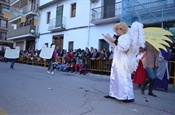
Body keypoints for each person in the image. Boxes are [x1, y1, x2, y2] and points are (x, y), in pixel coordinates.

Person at [104, 22, 135, 102]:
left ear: (122, 29)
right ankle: (113, 93)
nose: (116, 31)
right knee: (114, 77)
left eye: (117, 29)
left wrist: (115, 41)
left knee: (123, 77)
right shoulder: (121, 37)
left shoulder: (125, 37)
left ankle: (127, 96)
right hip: (117, 59)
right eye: (116, 29)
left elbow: (124, 48)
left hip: (122, 60)